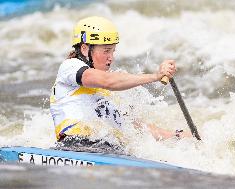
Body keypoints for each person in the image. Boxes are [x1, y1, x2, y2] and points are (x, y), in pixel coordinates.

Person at [50, 16, 191, 149]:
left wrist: (177, 136)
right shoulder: (70, 67)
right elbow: (108, 81)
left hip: (111, 150)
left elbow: (138, 128)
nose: (111, 58)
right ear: (85, 48)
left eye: (113, 51)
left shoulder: (108, 93)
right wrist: (156, 76)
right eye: (106, 51)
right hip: (74, 146)